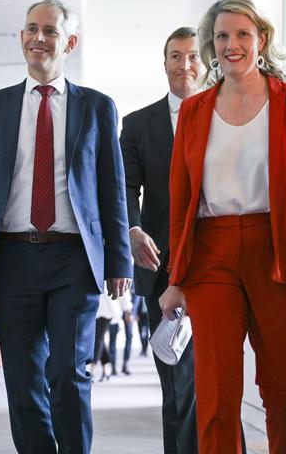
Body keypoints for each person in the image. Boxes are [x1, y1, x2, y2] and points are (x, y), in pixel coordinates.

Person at [0, 0, 132, 454]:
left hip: (75, 257)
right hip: (12, 258)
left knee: (68, 373)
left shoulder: (97, 107)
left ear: (68, 41)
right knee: (23, 376)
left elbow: (112, 189)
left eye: (50, 30)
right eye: (31, 29)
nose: (39, 37)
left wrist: (120, 260)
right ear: (21, 38)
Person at [160, 0, 286, 454]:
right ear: (211, 45)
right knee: (216, 399)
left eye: (242, 34)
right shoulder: (195, 112)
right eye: (222, 36)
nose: (231, 44)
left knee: (284, 392)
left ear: (262, 40)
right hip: (211, 256)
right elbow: (181, 204)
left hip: (278, 251)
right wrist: (176, 278)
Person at [120, 27, 201, 454]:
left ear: (204, 64)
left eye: (192, 57)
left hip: (219, 266)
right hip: (163, 270)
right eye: (175, 56)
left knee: (215, 382)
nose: (183, 65)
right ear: (164, 62)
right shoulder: (137, 125)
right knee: (178, 383)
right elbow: (124, 190)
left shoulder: (224, 115)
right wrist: (133, 229)